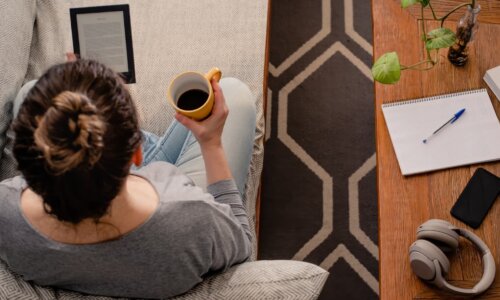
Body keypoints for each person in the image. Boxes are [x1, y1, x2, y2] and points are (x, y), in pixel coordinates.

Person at [0, 59, 256, 299]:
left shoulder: (6, 210)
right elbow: (241, 245)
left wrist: (76, 95)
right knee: (232, 91)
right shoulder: (190, 215)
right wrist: (211, 144)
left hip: (97, 178)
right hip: (144, 196)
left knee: (32, 91)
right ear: (137, 151)